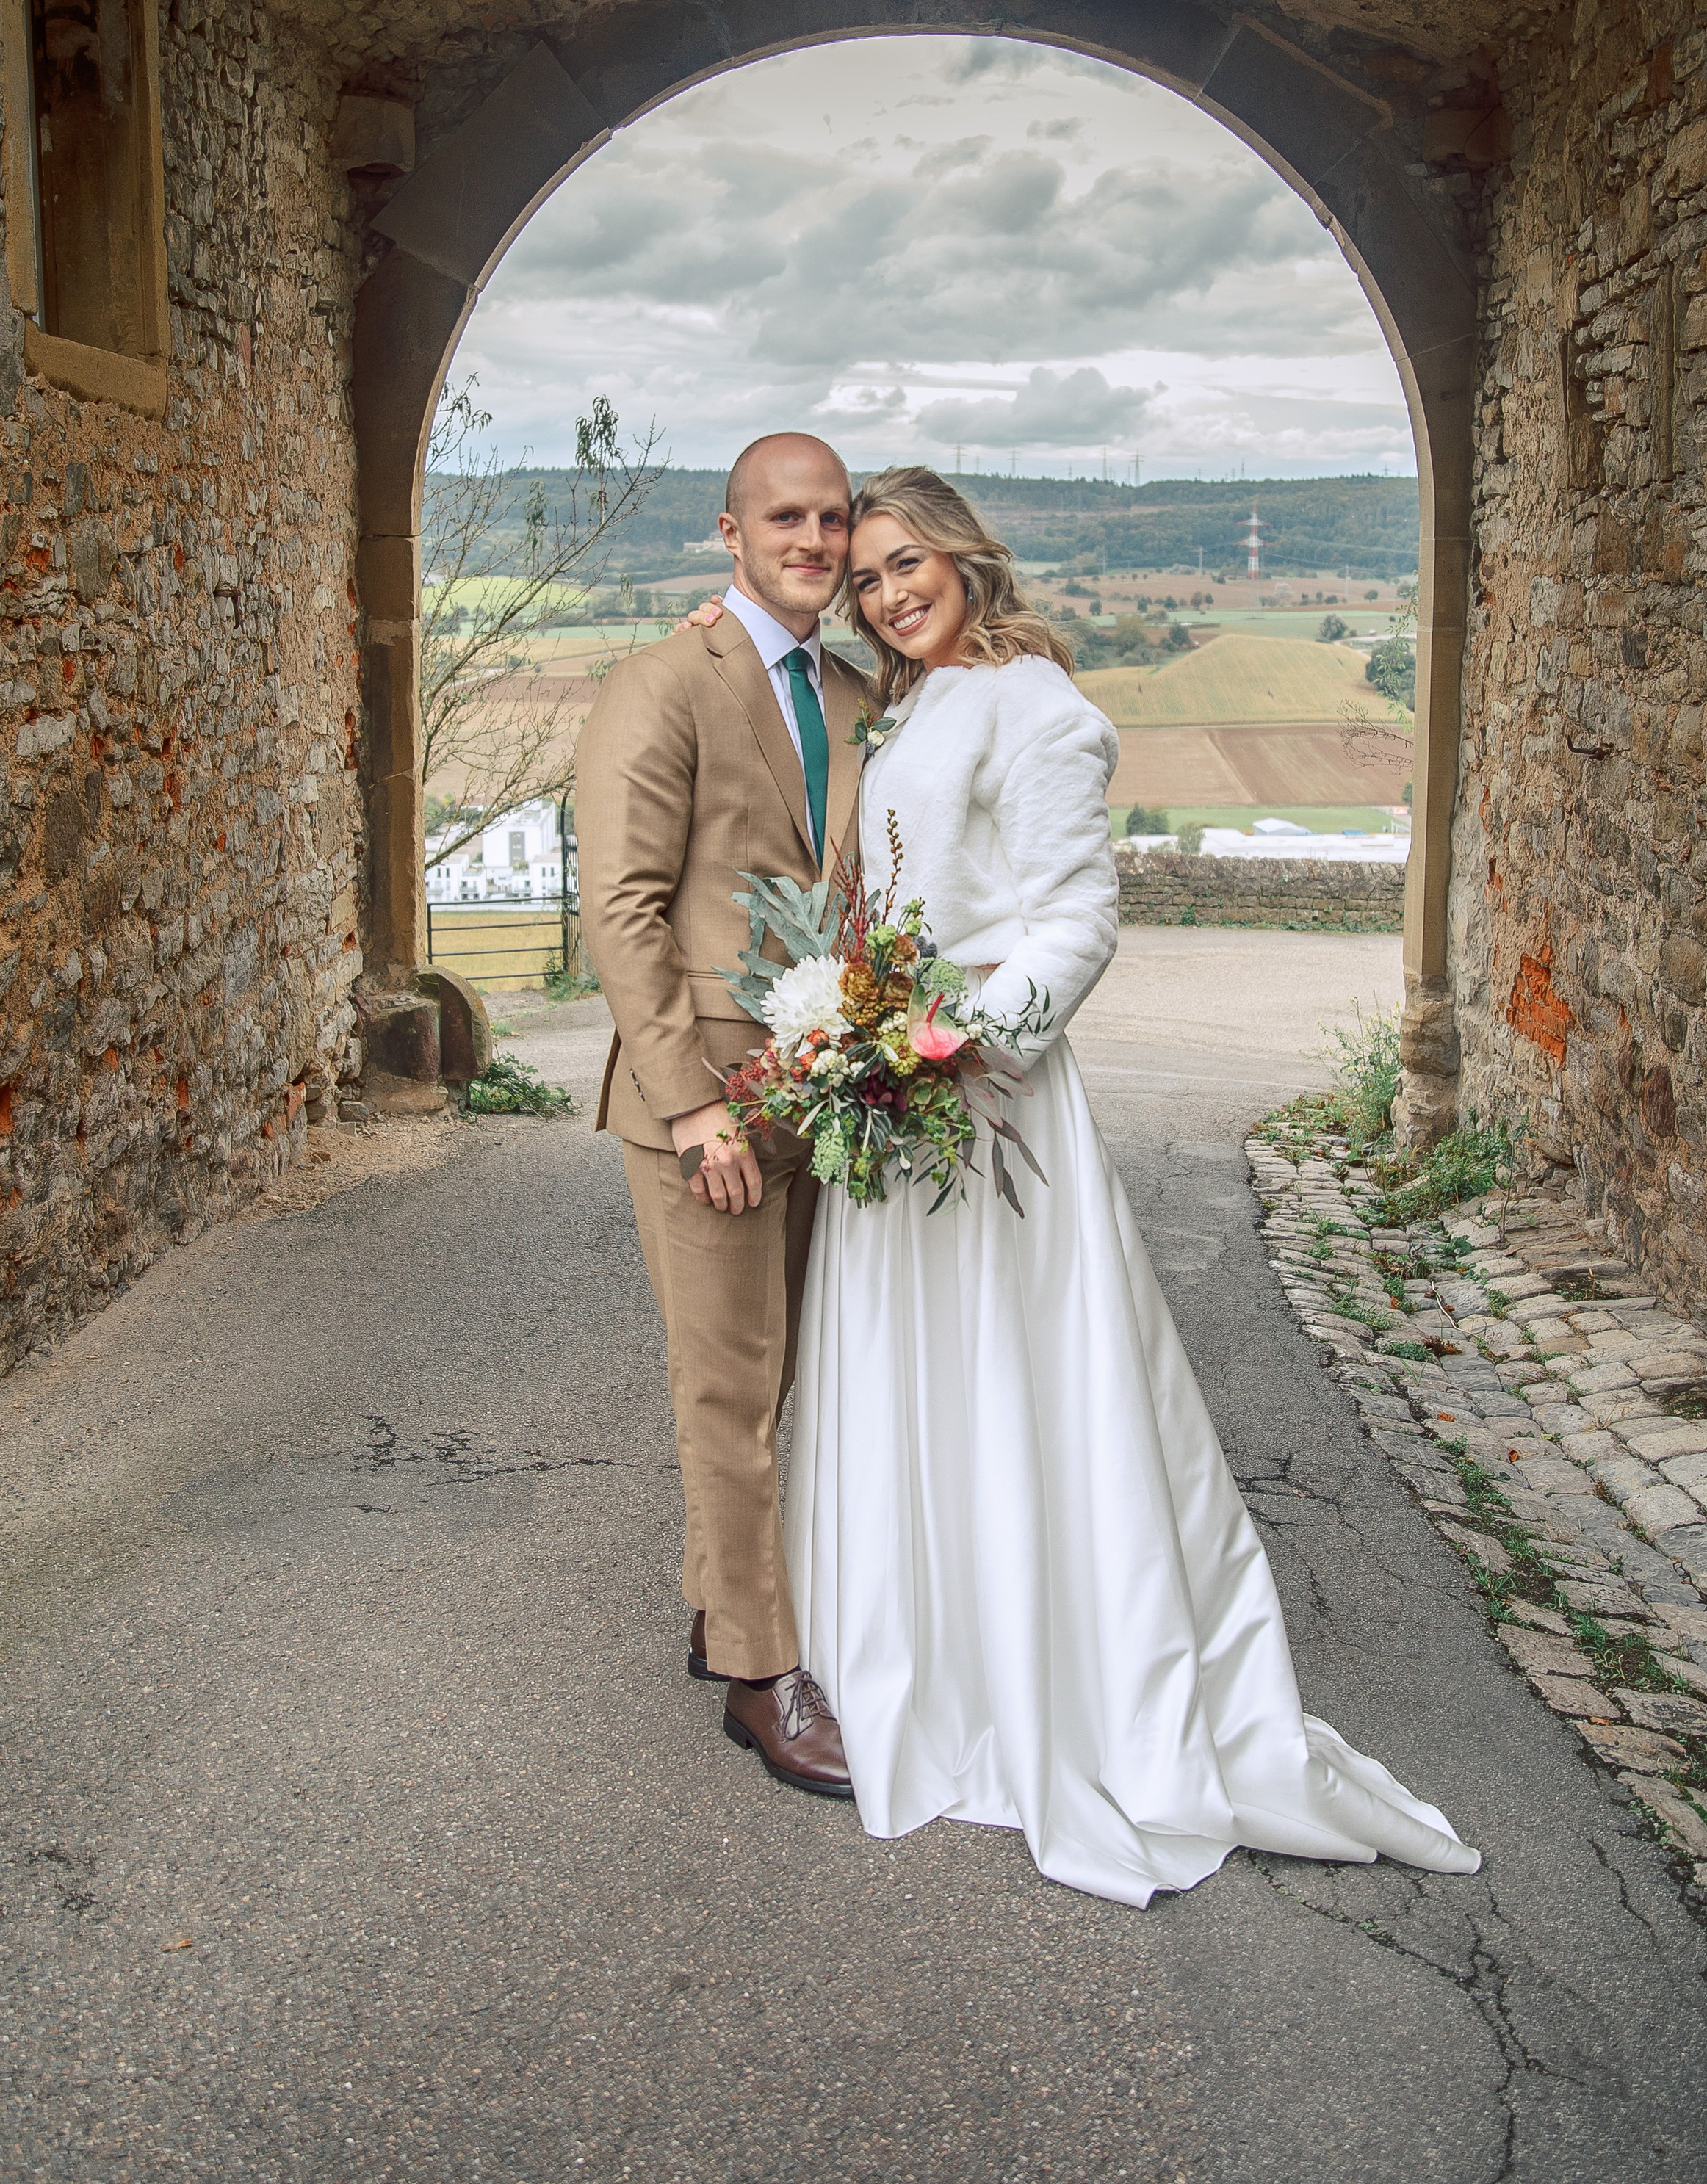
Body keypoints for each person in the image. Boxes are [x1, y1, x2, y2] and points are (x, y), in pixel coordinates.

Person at [781, 466, 1481, 1906]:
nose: (889, 589)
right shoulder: (906, 703)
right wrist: (858, 1019)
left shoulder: (1038, 706)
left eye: (910, 560)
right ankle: (905, 1653)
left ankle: (1042, 1677)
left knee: (1012, 1384)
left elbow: (1076, 920)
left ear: (969, 556)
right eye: (866, 576)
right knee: (903, 1373)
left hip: (981, 1091)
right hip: (895, 1080)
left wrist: (956, 1034)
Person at [574, 432, 868, 1797]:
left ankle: (718, 1607)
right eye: (785, 516)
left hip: (829, 1095)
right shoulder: (663, 682)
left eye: (833, 516)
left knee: (790, 1372)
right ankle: (763, 1673)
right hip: (707, 1107)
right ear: (731, 532)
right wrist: (692, 1106)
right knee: (728, 1386)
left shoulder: (862, 694)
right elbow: (622, 908)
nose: (811, 537)